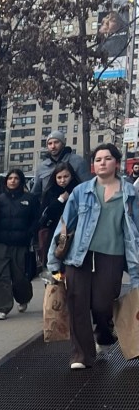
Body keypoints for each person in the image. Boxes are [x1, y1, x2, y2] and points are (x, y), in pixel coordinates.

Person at [48, 143, 139, 370]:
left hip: (112, 256)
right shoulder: (81, 191)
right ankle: (81, 355)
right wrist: (53, 260)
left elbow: (135, 230)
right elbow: (64, 226)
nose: (102, 163)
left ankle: (104, 335)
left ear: (116, 163)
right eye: (98, 159)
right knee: (77, 304)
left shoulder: (130, 193)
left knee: (102, 304)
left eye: (107, 158)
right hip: (79, 256)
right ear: (93, 165)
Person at [0, 169, 39, 319]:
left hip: (20, 244)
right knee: (1, 276)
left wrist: (30, 234)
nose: (13, 181)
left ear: (21, 181)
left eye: (16, 178)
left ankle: (24, 298)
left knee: (19, 277)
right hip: (0, 243)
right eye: (10, 178)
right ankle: (1, 308)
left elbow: (36, 220)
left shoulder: (30, 199)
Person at [37, 162, 81, 269]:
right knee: (56, 262)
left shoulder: (79, 190)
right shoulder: (50, 191)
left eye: (66, 176)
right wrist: (60, 200)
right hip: (55, 232)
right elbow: (45, 214)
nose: (62, 180)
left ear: (72, 176)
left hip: (75, 232)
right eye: (59, 177)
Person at [30, 131, 90, 196]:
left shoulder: (77, 161)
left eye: (56, 142)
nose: (53, 146)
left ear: (63, 144)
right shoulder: (42, 167)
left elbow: (88, 186)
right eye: (50, 143)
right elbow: (35, 192)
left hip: (74, 200)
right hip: (49, 201)